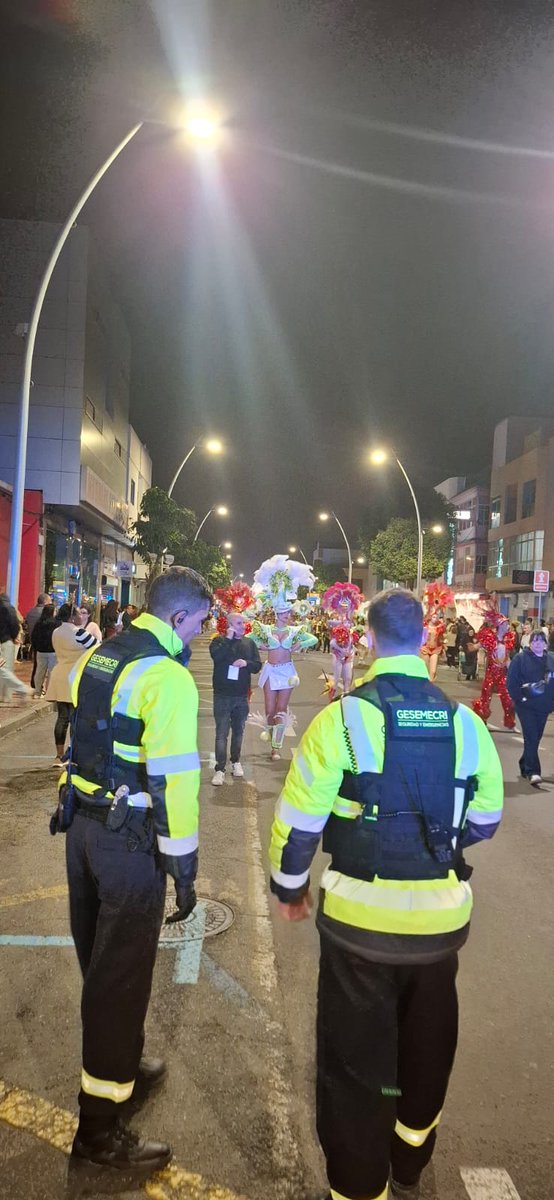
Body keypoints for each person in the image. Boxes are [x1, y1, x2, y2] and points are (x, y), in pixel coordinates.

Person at [269, 588, 503, 1200]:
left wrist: (291, 888)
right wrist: (435, 850)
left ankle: (357, 1187)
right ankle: (409, 1168)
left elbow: (300, 823)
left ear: (368, 638)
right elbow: (486, 818)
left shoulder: (342, 720)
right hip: (438, 932)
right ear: (426, 638)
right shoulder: (465, 722)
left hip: (357, 930)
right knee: (426, 1051)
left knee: (354, 1065)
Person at [60, 566, 212, 1179]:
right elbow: (174, 778)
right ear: (178, 617)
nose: (201, 632)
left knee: (100, 963)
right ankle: (98, 1133)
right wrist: (185, 867)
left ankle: (126, 1062)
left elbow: (78, 738)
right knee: (119, 980)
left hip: (83, 832)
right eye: (200, 621)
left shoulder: (100, 655)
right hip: (129, 844)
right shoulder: (167, 676)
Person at [249, 555, 318, 759]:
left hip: (287, 671)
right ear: (277, 614)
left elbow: (313, 639)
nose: (288, 615)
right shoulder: (265, 629)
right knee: (270, 709)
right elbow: (248, 638)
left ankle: (276, 748)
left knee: (281, 708)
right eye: (284, 613)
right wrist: (260, 646)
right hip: (271, 671)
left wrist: (299, 644)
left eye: (289, 612)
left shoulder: (296, 631)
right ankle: (272, 737)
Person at [209, 582, 262, 785]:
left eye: (243, 623)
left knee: (238, 731)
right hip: (222, 694)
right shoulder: (218, 642)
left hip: (241, 695)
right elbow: (217, 657)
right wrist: (229, 640)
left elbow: (257, 665)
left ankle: (235, 762)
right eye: (239, 624)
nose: (243, 626)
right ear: (230, 625)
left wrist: (246, 663)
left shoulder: (249, 644)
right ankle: (219, 769)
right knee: (221, 733)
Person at [45, 604, 98, 767]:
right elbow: (97, 647)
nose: (80, 617)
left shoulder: (56, 632)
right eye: (77, 614)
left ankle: (58, 755)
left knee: (62, 717)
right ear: (71, 617)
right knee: (76, 718)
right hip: (76, 677)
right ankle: (73, 753)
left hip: (59, 675)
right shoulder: (80, 633)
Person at [507, 630, 554, 786]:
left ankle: (524, 762)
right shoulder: (520, 659)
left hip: (543, 706)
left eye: (541, 641)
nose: (538, 644)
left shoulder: (551, 659)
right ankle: (533, 772)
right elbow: (511, 683)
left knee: (534, 738)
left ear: (546, 643)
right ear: (529, 642)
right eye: (534, 641)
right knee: (531, 736)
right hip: (525, 705)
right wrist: (521, 698)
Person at [473, 609, 516, 729]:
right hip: (491, 673)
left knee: (507, 698)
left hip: (502, 674)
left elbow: (507, 659)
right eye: (504, 624)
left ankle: (510, 722)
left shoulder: (508, 640)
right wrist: (473, 647)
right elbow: (480, 645)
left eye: (507, 623)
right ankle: (482, 719)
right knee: (486, 696)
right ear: (499, 626)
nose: (507, 626)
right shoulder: (490, 638)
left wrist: (514, 671)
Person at [322, 582, 364, 699]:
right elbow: (332, 640)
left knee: (348, 678)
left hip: (349, 653)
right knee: (335, 680)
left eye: (347, 605)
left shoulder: (352, 621)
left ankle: (346, 698)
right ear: (338, 605)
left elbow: (354, 635)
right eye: (342, 604)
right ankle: (331, 699)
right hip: (338, 653)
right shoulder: (334, 620)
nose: (344, 607)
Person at [0, 592, 32, 704]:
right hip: (7, 640)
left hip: (4, 640)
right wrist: (14, 637)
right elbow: (15, 624)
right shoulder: (9, 607)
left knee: (3, 670)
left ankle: (21, 690)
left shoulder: (4, 607)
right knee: (5, 669)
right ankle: (6, 696)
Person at [30, 603, 58, 698]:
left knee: (39, 672)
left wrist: (36, 647)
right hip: (52, 651)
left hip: (40, 651)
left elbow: (33, 636)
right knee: (51, 672)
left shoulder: (39, 623)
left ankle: (37, 692)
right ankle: (48, 692)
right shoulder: (56, 623)